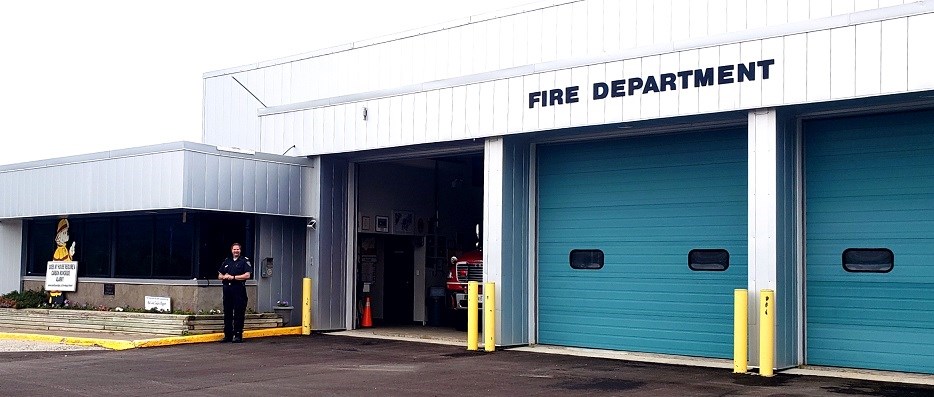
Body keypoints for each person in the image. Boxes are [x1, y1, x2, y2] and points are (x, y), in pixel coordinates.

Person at [218, 243, 253, 343]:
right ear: (231, 250)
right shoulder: (227, 261)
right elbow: (219, 275)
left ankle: (238, 335)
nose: (236, 251)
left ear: (240, 250)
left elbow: (247, 275)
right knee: (227, 313)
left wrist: (233, 277)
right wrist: (225, 277)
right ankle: (227, 335)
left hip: (238, 289)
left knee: (238, 313)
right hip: (227, 290)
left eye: (237, 249)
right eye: (234, 249)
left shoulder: (244, 261)